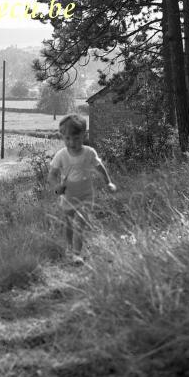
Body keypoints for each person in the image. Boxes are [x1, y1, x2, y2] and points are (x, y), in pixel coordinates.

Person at [47, 113, 116, 265]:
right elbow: (51, 176)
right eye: (67, 139)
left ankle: (77, 254)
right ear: (62, 137)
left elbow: (100, 168)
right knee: (69, 224)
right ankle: (70, 248)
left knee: (80, 222)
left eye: (76, 138)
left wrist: (108, 183)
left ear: (83, 135)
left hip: (86, 195)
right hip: (68, 195)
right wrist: (56, 187)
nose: (72, 143)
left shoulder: (89, 153)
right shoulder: (61, 155)